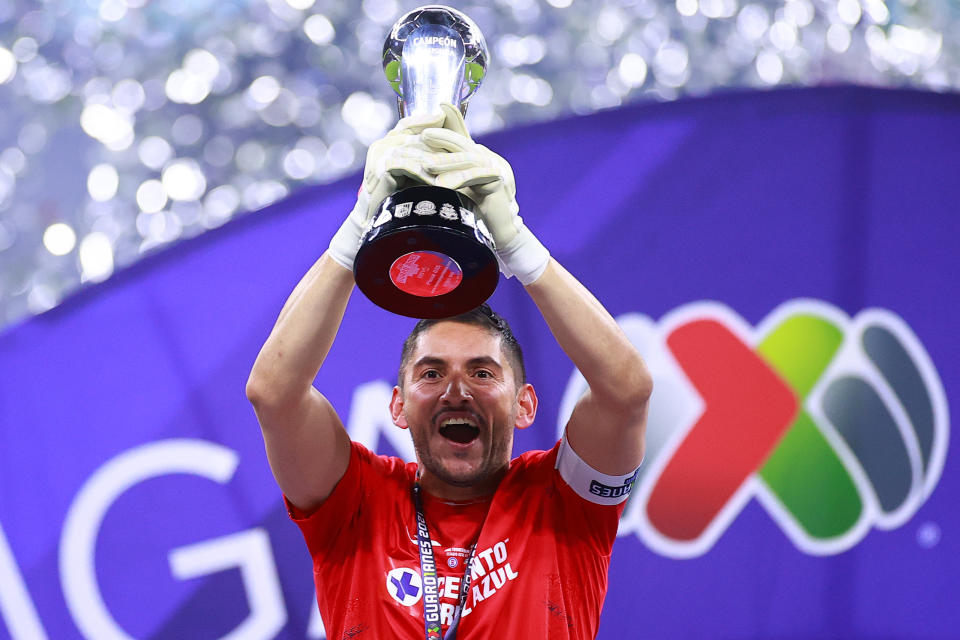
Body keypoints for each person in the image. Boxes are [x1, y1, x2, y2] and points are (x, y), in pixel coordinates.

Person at [246, 103, 652, 639]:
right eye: (431, 373)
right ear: (397, 404)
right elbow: (273, 393)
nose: (456, 391)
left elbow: (627, 391)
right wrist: (360, 229)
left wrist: (518, 247)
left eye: (482, 373)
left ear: (525, 403)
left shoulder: (562, 502)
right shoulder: (357, 502)